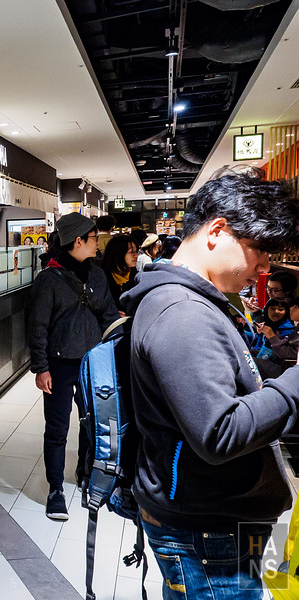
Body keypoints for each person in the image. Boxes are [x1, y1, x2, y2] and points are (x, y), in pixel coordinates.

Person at [120, 169, 299, 600]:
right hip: (208, 530)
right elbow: (218, 433)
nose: (264, 266)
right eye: (259, 249)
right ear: (218, 230)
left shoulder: (194, 301)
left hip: (223, 516)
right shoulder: (181, 311)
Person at [26, 212, 119, 521]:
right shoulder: (48, 279)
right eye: (93, 239)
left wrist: (111, 355)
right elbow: (37, 326)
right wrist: (41, 367)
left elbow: (107, 317)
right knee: (57, 427)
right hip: (59, 364)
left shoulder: (97, 276)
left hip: (92, 363)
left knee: (91, 423)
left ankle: (84, 472)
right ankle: (55, 489)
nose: (98, 244)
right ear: (78, 241)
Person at [250, 298, 295, 377]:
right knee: (246, 353)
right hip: (268, 358)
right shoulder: (269, 324)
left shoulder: (288, 329)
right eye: (272, 309)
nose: (276, 312)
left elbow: (284, 354)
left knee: (250, 361)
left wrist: (273, 338)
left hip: (281, 367)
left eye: (280, 309)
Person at [98, 234, 138, 314]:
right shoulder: (101, 279)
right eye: (131, 252)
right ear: (117, 254)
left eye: (136, 251)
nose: (135, 255)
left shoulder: (137, 278)